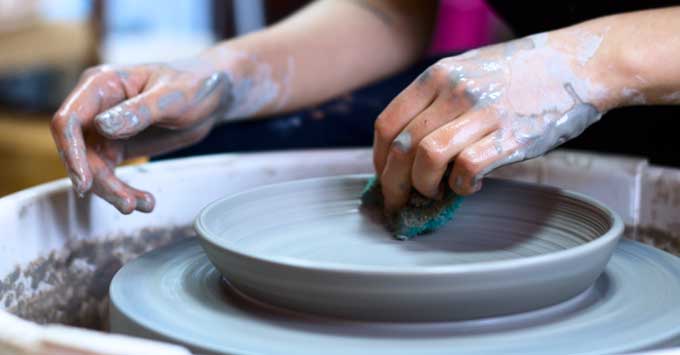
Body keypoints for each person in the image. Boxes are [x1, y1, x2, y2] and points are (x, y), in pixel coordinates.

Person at [50, 0, 680, 214]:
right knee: (221, 154)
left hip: (632, 102)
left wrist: (587, 66)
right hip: (529, 92)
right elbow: (396, 8)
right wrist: (224, 76)